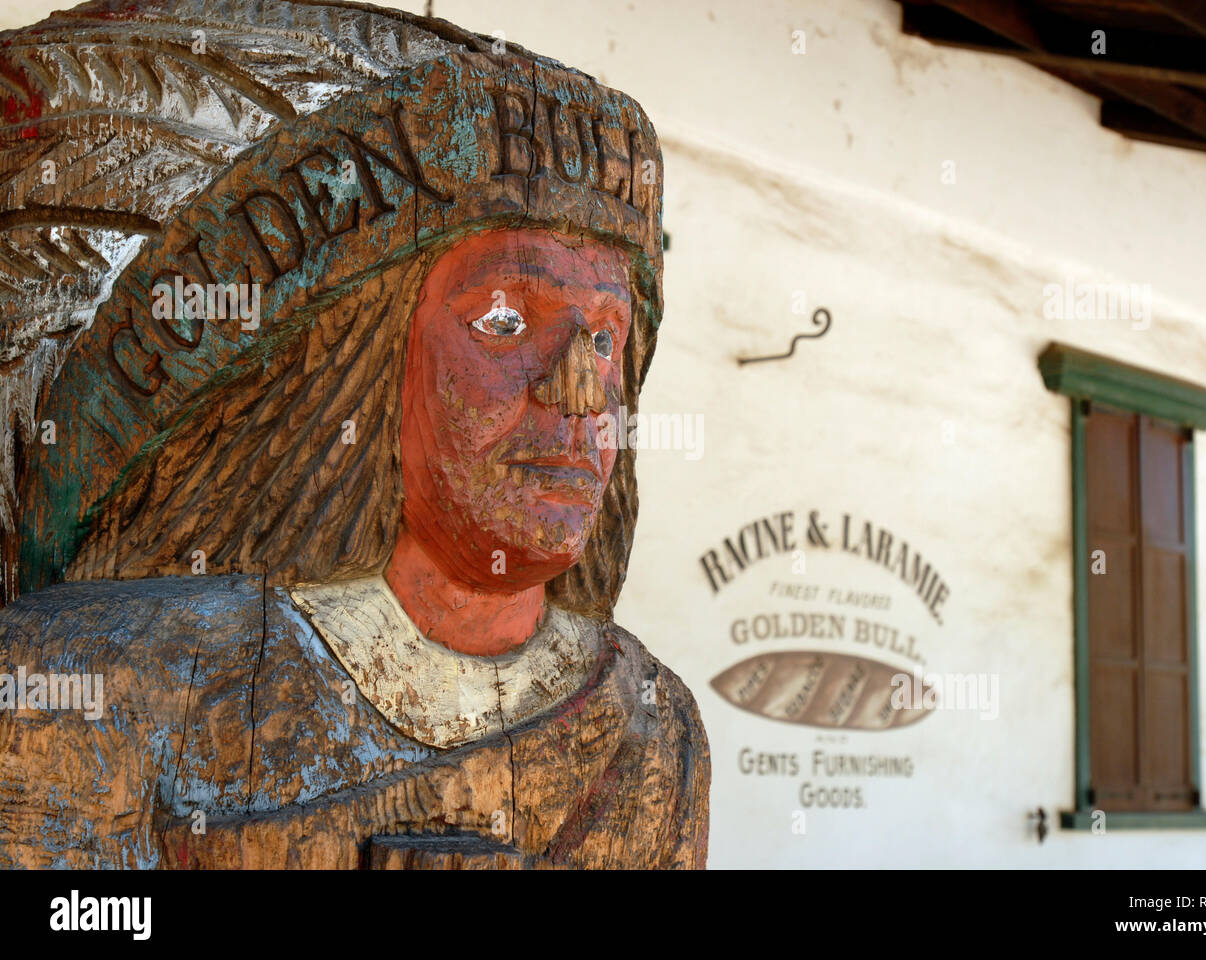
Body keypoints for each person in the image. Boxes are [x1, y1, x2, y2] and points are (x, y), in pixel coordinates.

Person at [0, 0, 708, 870]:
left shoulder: (649, 725)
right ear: (372, 370)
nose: (576, 392)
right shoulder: (92, 683)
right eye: (500, 319)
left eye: (604, 338)